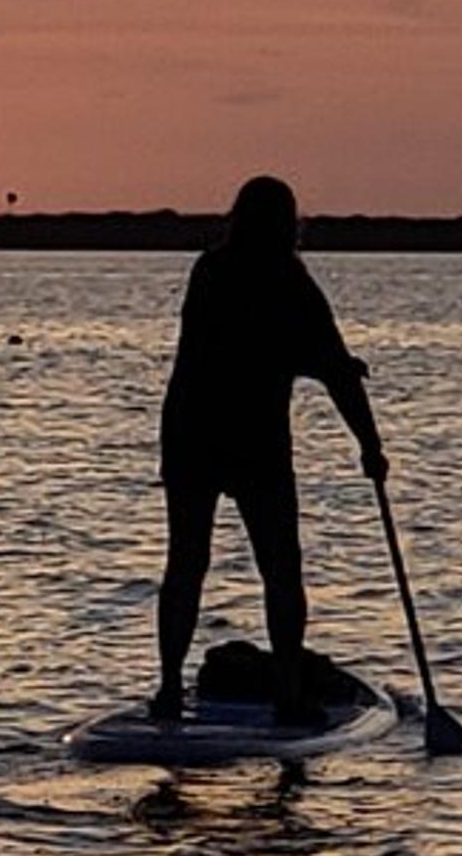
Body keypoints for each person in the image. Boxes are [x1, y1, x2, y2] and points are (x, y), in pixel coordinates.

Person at [151, 175, 389, 725]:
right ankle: (286, 693)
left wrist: (324, 374)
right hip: (243, 438)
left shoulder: (211, 270)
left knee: (187, 563)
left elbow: (283, 355)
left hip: (192, 433)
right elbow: (322, 365)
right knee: (279, 568)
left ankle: (169, 689)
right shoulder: (288, 281)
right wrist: (369, 445)